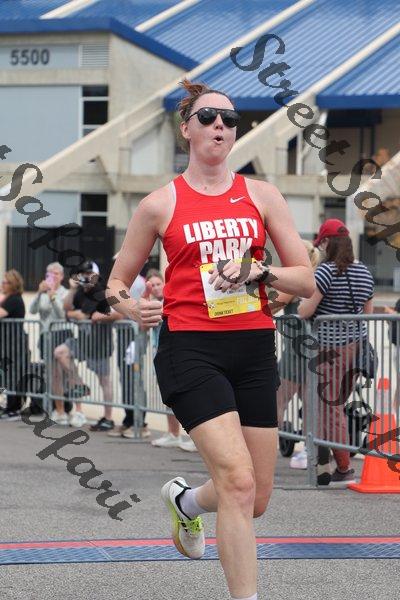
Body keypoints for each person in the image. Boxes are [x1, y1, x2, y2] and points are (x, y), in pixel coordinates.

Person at [107, 79, 314, 600]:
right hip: (190, 349)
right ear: (187, 129)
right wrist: (131, 306)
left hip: (253, 349)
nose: (220, 125)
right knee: (238, 482)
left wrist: (260, 271)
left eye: (229, 119)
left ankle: (187, 502)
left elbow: (305, 279)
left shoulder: (262, 195)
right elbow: (115, 284)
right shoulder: (159, 204)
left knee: (256, 497)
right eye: (207, 117)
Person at [298, 218, 374, 485]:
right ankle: (325, 460)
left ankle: (343, 467)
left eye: (322, 243)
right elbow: (368, 314)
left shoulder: (325, 272)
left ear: (327, 243)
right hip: (357, 348)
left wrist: (304, 303)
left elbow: (305, 310)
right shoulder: (363, 271)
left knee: (331, 408)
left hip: (330, 349)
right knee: (335, 405)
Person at [272, 240, 321, 469]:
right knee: (309, 402)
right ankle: (310, 448)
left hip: (296, 350)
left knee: (278, 400)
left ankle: (267, 444)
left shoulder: (298, 282)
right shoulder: (315, 278)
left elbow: (274, 303)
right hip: (309, 348)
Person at [53, 261, 117, 429]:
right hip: (82, 341)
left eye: (89, 274)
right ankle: (80, 384)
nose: (86, 277)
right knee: (60, 352)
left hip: (100, 345)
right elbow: (66, 309)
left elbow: (85, 315)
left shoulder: (101, 291)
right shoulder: (80, 292)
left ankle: (108, 418)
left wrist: (79, 314)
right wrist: (72, 289)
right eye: (83, 274)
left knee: (104, 380)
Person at [29, 262, 70, 415]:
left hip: (61, 333)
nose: (53, 277)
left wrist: (53, 297)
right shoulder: (43, 293)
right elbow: (32, 310)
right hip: (45, 335)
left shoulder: (65, 293)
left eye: (56, 274)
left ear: (62, 276)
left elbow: (62, 315)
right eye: (50, 274)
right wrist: (39, 293)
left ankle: (65, 406)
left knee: (61, 374)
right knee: (51, 373)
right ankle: (55, 407)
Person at [0, 270, 29, 420]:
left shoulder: (14, 299)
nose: (2, 285)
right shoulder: (7, 298)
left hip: (15, 343)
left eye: (5, 282)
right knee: (7, 374)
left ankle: (14, 408)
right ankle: (9, 407)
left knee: (14, 374)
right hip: (7, 342)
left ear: (13, 284)